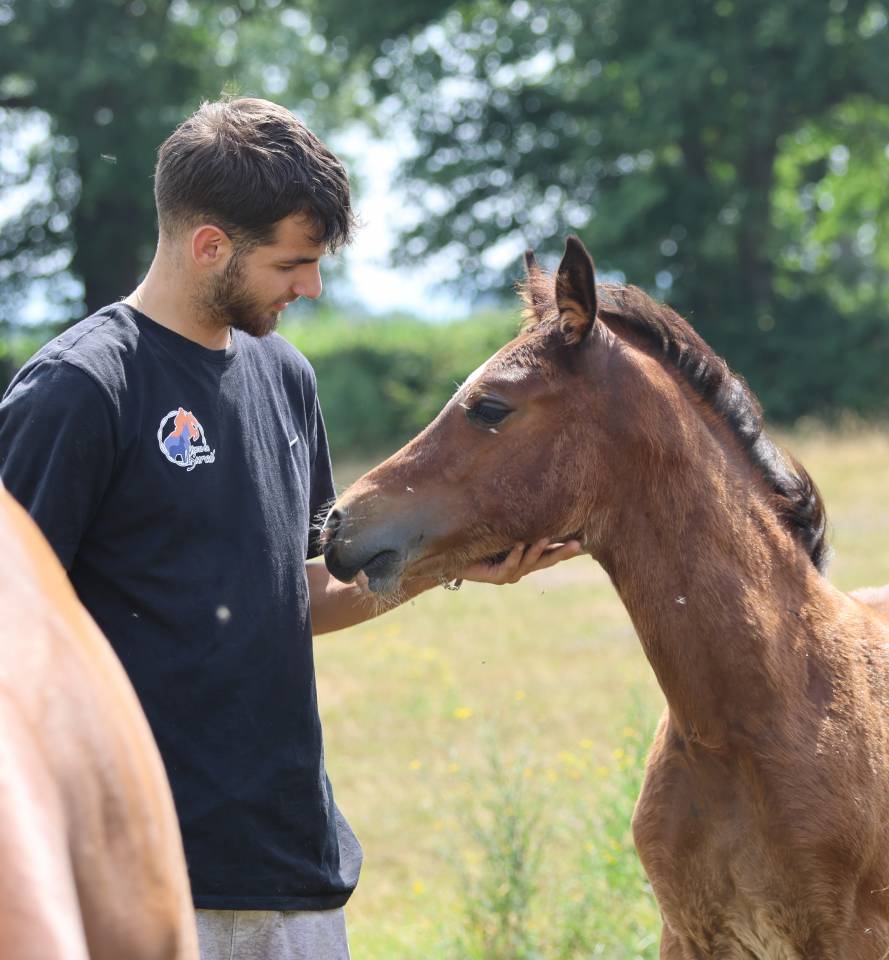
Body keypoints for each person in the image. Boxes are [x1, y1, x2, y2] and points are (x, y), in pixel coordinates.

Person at [0, 97, 581, 960]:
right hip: (138, 875)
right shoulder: (79, 392)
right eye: (293, 263)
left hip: (292, 866)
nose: (311, 287)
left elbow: (292, 597)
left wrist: (445, 566)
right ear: (208, 246)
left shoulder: (286, 376)